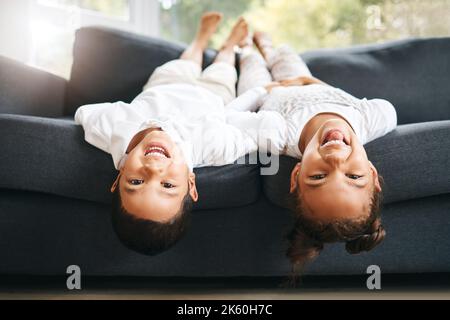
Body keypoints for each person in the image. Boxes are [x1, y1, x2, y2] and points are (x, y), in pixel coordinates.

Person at [74, 13, 279, 255]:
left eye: (136, 182)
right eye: (168, 185)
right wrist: (249, 101)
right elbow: (263, 130)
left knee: (187, 60)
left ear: (118, 179)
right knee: (224, 67)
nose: (153, 169)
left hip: (165, 86)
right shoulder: (214, 147)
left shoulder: (110, 132)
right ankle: (228, 46)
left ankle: (200, 40)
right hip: (214, 95)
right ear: (191, 184)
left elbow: (83, 113)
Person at [232, 31, 397, 280]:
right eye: (353, 176)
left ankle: (246, 49)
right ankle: (268, 47)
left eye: (319, 176)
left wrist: (261, 91)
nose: (336, 159)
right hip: (306, 81)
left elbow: (227, 118)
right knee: (287, 56)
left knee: (252, 66)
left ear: (296, 174)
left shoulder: (278, 134)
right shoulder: (370, 121)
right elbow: (388, 109)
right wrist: (313, 83)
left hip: (268, 93)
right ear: (372, 174)